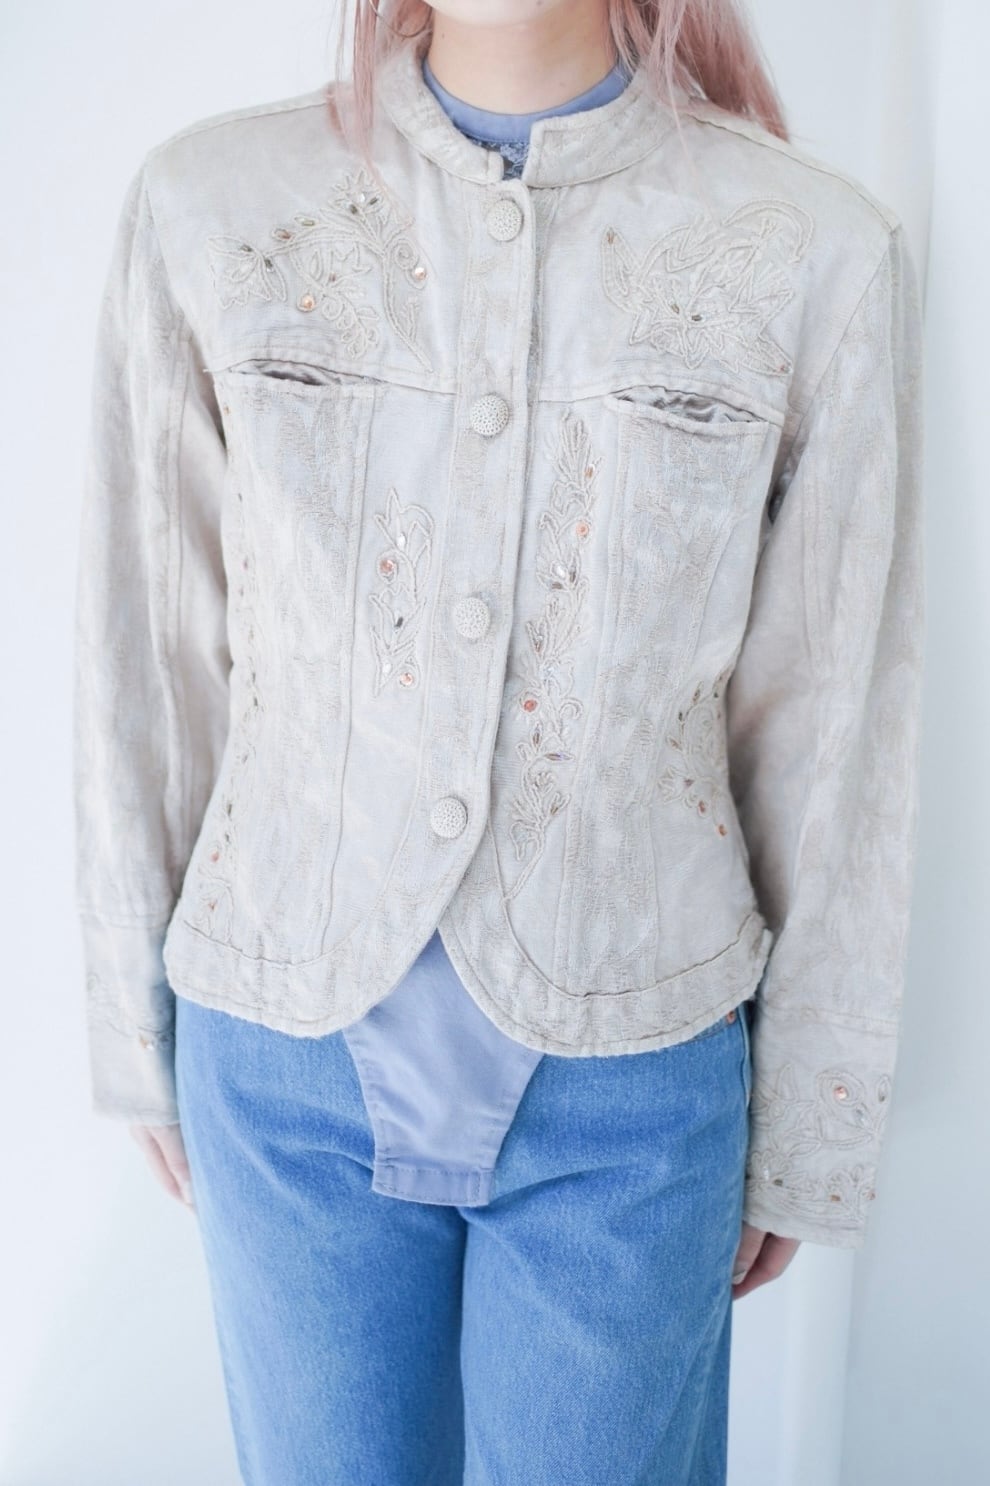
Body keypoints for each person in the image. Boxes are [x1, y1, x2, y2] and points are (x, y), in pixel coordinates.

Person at [72, 1, 925, 1481]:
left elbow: (833, 726)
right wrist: (130, 1038)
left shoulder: (812, 251)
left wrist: (810, 1125)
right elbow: (145, 654)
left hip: (633, 1076)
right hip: (280, 1054)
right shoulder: (212, 209)